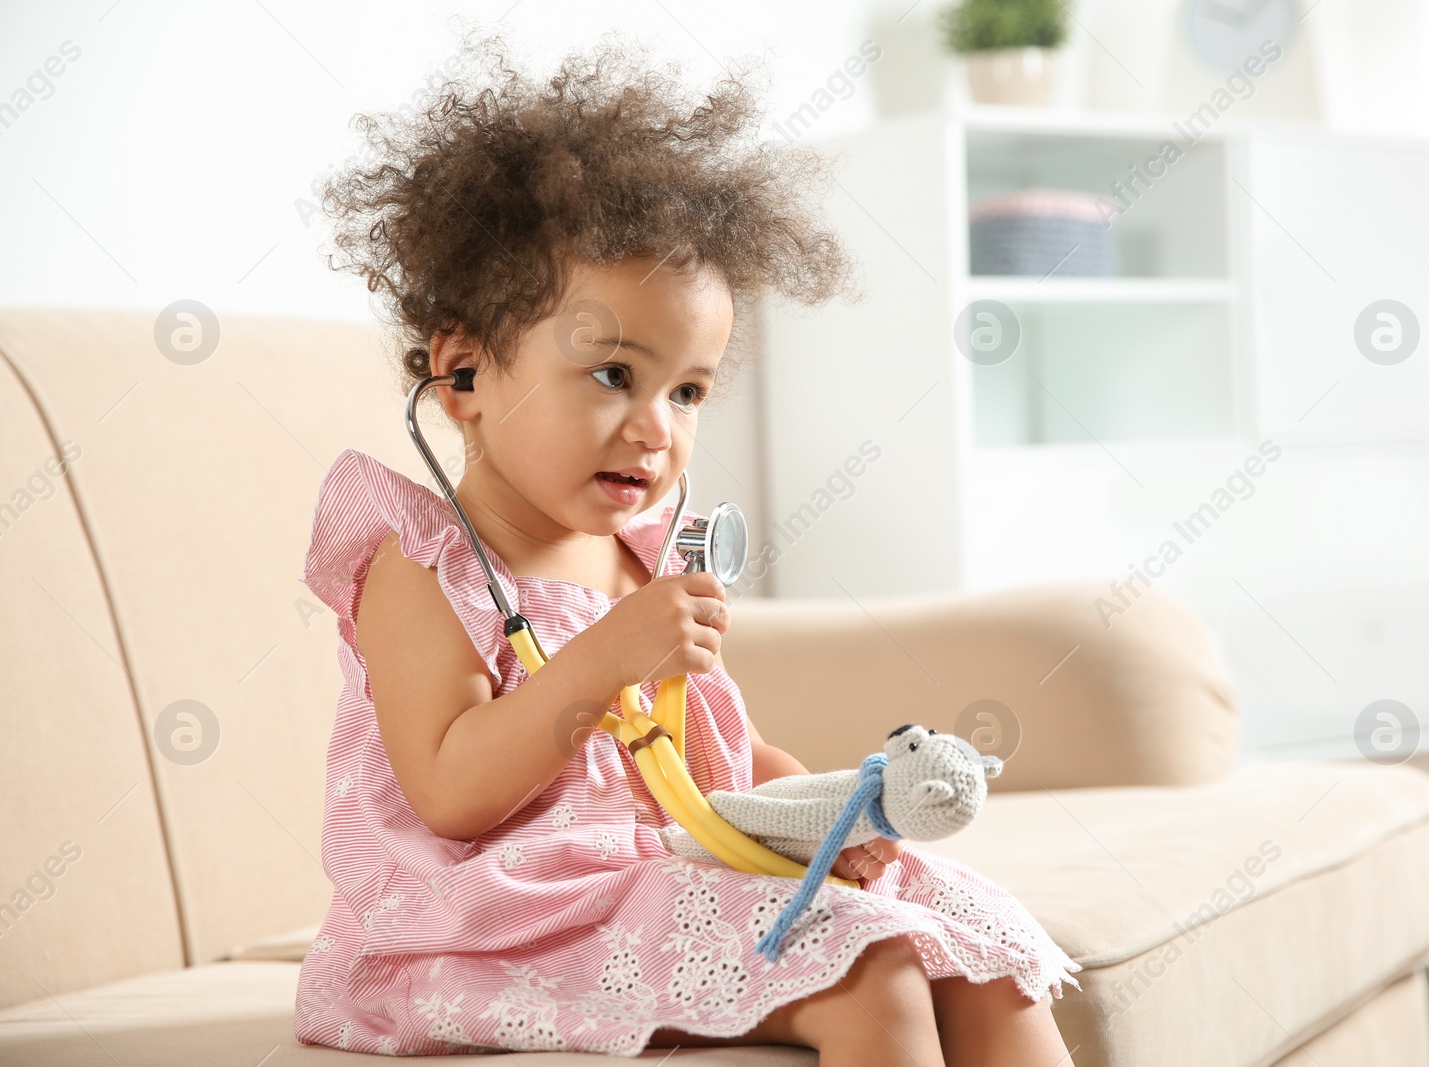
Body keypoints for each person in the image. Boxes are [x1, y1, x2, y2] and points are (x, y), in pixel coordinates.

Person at [295, 29, 1081, 1064]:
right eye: (615, 373)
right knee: (865, 967)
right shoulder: (424, 561)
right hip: (492, 918)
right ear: (464, 374)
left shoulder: (640, 554)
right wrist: (608, 655)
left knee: (972, 948)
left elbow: (709, 752)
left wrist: (820, 810)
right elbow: (449, 786)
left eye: (689, 390)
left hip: (655, 869)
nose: (657, 425)